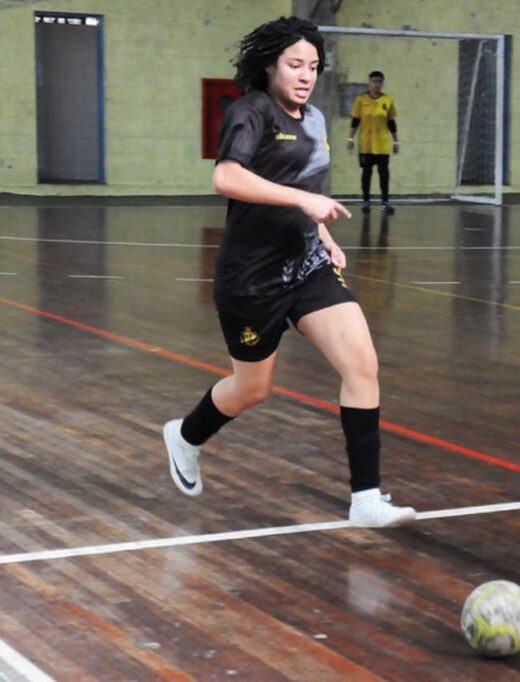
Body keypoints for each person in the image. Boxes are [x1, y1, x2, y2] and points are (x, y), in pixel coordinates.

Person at [162, 16, 415, 528]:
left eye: (314, 66)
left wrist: (321, 232)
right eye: (295, 64)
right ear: (271, 65)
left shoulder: (317, 120)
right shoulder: (249, 112)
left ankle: (365, 499)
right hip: (251, 279)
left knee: (362, 365)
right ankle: (185, 436)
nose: (305, 75)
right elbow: (226, 176)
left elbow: (305, 188)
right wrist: (304, 198)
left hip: (308, 267)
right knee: (252, 389)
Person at [347, 71, 399, 214]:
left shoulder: (387, 100)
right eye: (374, 81)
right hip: (366, 145)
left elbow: (391, 122)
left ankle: (385, 202)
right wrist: (350, 139)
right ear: (369, 83)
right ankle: (366, 201)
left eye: (379, 82)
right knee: (366, 174)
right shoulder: (361, 100)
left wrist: (396, 141)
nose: (376, 84)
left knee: (384, 175)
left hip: (382, 145)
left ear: (382, 83)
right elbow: (355, 121)